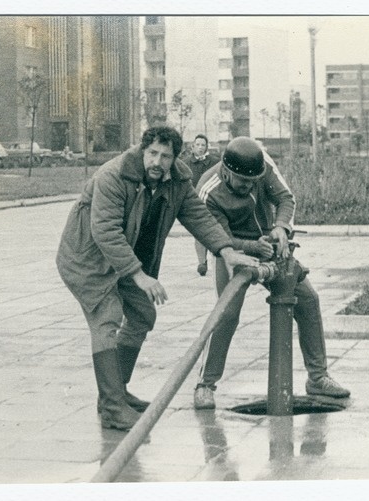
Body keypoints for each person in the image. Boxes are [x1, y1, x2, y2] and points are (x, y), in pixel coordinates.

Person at [56, 126, 259, 430]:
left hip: (125, 257)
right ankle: (112, 408)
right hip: (88, 257)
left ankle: (116, 393)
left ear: (175, 158)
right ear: (142, 150)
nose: (157, 161)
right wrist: (139, 276)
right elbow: (105, 232)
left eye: (165, 156)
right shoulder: (112, 176)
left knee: (141, 314)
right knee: (106, 317)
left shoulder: (177, 179)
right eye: (152, 153)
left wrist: (227, 251)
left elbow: (198, 216)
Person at [192, 137, 349, 409]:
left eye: (254, 181)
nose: (250, 186)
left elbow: (286, 198)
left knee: (308, 300)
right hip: (234, 250)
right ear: (226, 172)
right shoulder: (208, 190)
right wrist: (252, 247)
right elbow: (217, 239)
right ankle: (205, 384)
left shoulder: (261, 166)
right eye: (242, 181)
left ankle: (318, 376)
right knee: (227, 314)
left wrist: (280, 227)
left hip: (271, 242)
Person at [181, 134, 219, 276]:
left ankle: (217, 259)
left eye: (203, 145)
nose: (200, 148)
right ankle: (202, 262)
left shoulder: (215, 162)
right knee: (200, 233)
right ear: (193, 146)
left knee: (216, 231)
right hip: (195, 203)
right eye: (198, 145)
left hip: (213, 202)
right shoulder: (185, 163)